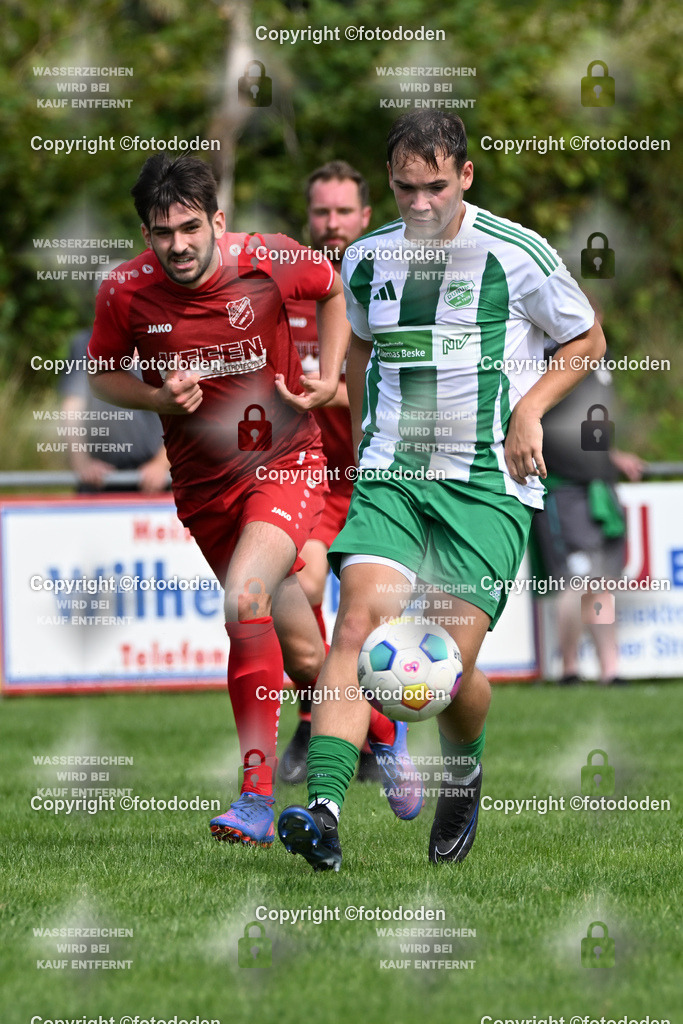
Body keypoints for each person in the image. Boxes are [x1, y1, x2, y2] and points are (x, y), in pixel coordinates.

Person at [278, 110, 606, 872]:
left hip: (486, 486)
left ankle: (462, 775)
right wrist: (363, 446)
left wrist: (529, 410)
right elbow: (357, 346)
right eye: (402, 189)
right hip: (394, 473)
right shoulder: (364, 258)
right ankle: (323, 812)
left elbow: (585, 339)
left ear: (464, 175)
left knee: (433, 672)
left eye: (434, 187)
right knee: (359, 628)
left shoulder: (515, 253)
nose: (419, 205)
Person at [87, 152, 350, 848]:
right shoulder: (123, 292)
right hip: (203, 490)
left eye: (189, 227)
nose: (176, 244)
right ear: (145, 232)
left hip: (286, 461)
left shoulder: (268, 260)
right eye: (160, 231)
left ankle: (256, 797)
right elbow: (103, 376)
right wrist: (153, 396)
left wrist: (327, 377)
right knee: (302, 656)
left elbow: (331, 290)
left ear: (218, 222)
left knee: (245, 599)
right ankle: (379, 727)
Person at [279, 161, 422, 812]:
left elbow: (400, 383)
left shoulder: (387, 284)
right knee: (295, 587)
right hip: (309, 479)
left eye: (343, 212)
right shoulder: (286, 292)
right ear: (308, 217)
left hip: (374, 478)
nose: (331, 224)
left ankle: (383, 737)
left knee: (361, 628)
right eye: (321, 212)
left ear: (365, 217)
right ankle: (318, 714)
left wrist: (330, 390)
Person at [530, 333, 645, 685]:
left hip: (597, 485)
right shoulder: (548, 355)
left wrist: (611, 456)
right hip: (562, 487)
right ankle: (569, 669)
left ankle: (609, 670)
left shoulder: (600, 358)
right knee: (575, 579)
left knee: (600, 582)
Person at [61, 324, 170, 493]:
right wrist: (81, 462)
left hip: (158, 484)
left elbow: (184, 410)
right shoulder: (84, 343)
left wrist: (161, 464)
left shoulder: (165, 341)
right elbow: (71, 410)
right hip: (98, 482)